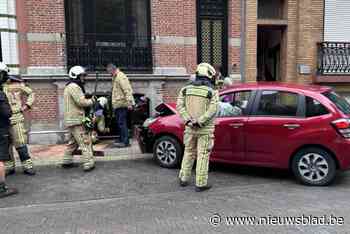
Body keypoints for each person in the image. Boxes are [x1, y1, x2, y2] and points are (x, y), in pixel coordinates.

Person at [177, 63, 219, 192]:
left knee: (188, 152)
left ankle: (183, 178)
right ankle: (200, 183)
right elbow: (213, 110)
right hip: (204, 130)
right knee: (202, 156)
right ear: (209, 75)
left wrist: (189, 121)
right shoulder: (212, 91)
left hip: (189, 129)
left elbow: (180, 106)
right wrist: (200, 121)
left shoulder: (185, 89)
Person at [62, 66, 96, 172]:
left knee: (73, 143)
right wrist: (92, 101)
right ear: (75, 76)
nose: (83, 78)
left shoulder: (69, 86)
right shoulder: (74, 87)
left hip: (71, 120)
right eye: (82, 76)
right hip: (77, 120)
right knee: (85, 141)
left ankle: (66, 161)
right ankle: (88, 163)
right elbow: (81, 102)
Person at [4, 75, 36, 175]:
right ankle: (9, 167)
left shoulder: (16, 85)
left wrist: (26, 105)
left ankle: (27, 166)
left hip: (16, 117)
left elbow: (31, 93)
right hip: (2, 120)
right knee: (6, 145)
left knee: (20, 143)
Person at [0, 62, 18, 198]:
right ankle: (1, 188)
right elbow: (6, 113)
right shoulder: (0, 93)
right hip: (1, 129)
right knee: (0, 159)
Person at [107, 63, 135, 148]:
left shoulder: (120, 76)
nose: (108, 73)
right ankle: (121, 139)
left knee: (122, 123)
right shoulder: (115, 77)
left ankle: (125, 142)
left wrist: (129, 103)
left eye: (108, 71)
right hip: (118, 104)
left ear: (112, 69)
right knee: (119, 123)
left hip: (122, 104)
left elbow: (127, 90)